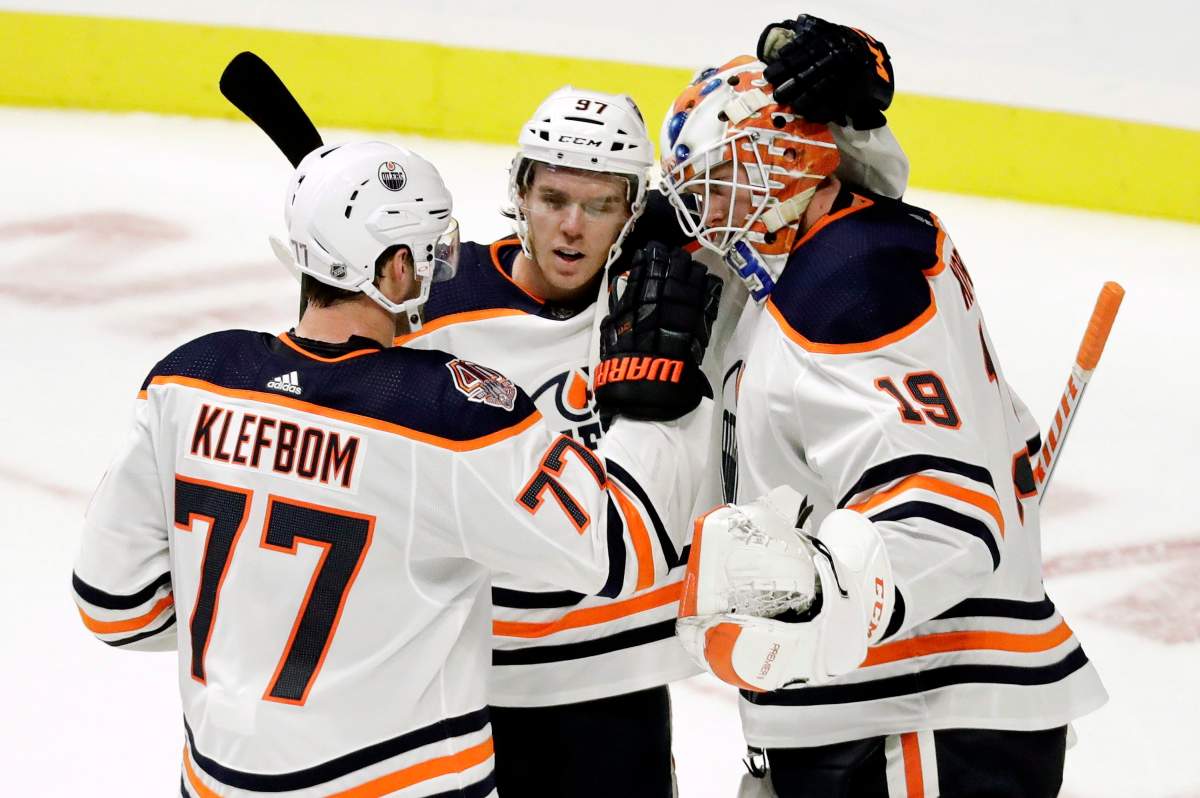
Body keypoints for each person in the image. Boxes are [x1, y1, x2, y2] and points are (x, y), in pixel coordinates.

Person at [71, 139, 722, 797]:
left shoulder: (191, 379)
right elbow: (622, 544)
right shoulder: (446, 414)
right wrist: (652, 387)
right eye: (433, 250)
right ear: (395, 269)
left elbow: (114, 606)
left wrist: (260, 619)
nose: (447, 266)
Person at [395, 16, 913, 795]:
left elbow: (856, 199)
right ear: (519, 193)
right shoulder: (438, 302)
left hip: (620, 677)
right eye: (554, 198)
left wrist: (854, 112)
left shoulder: (691, 280)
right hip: (474, 678)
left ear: (636, 208)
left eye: (600, 205)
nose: (571, 227)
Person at [663, 50, 1108, 797]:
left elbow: (948, 507)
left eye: (728, 178)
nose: (709, 212)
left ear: (792, 162)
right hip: (862, 718)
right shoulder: (793, 282)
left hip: (923, 717)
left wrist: (818, 601)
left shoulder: (851, 270)